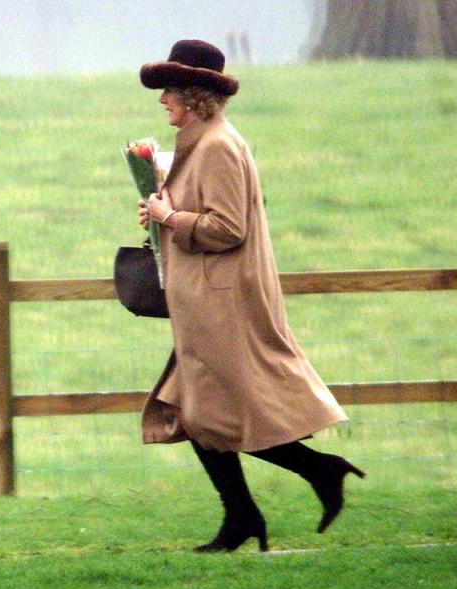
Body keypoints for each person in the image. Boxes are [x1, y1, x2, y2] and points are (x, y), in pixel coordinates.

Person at [136, 39, 364, 552]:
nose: (161, 100)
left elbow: (227, 227)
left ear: (194, 96)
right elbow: (203, 215)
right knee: (196, 411)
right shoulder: (204, 143)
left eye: (169, 90)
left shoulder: (217, 146)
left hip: (223, 305)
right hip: (207, 303)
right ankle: (253, 510)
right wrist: (160, 214)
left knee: (202, 413)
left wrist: (172, 219)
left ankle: (300, 482)